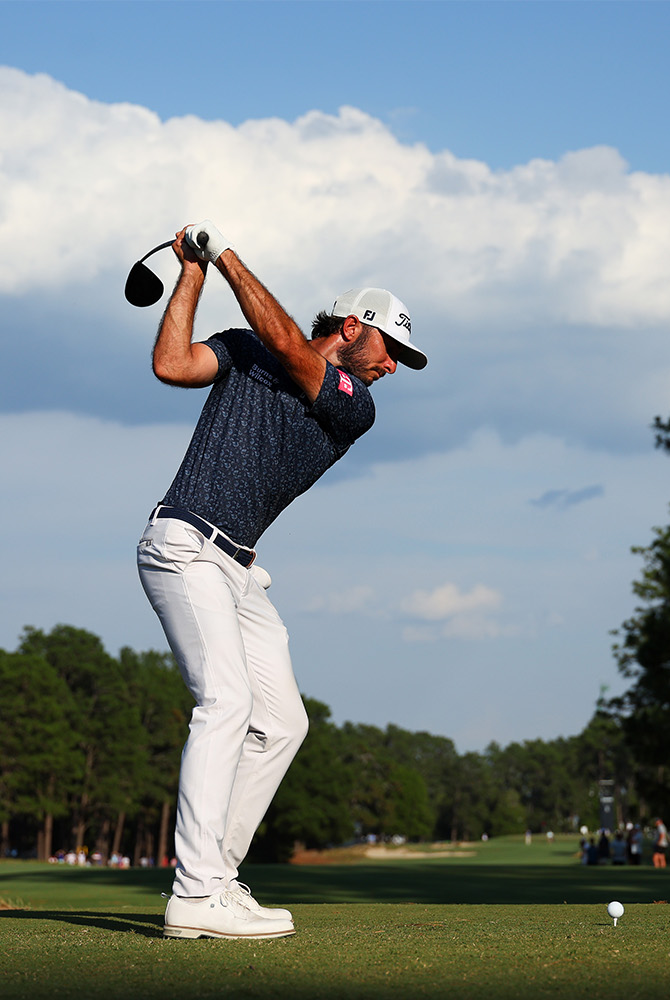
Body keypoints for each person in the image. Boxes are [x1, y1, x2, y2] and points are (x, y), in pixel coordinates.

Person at [138, 220, 426, 941]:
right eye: (391, 350)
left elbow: (295, 351)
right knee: (227, 702)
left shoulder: (353, 405)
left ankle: (217, 877)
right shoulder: (244, 349)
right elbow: (172, 364)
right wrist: (193, 273)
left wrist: (226, 256)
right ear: (355, 327)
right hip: (185, 545)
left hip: (237, 571)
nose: (393, 367)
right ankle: (194, 893)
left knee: (283, 722)